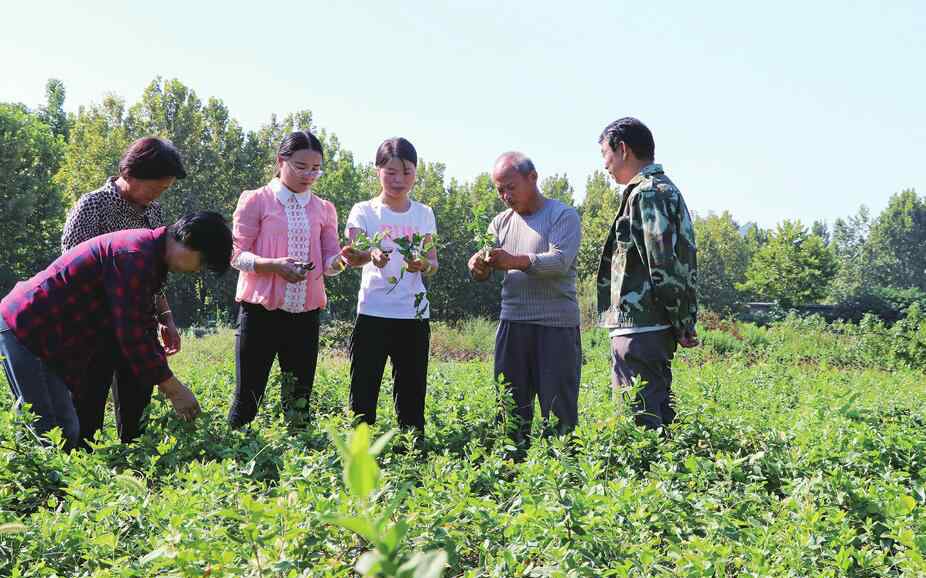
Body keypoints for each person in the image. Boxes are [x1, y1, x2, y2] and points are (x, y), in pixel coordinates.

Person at [0, 212, 233, 450]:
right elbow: (132, 334)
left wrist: (165, 375)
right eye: (202, 262)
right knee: (51, 432)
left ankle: (42, 477)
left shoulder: (148, 256)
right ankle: (39, 482)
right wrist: (174, 389)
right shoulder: (135, 256)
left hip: (47, 333)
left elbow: (142, 325)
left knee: (64, 429)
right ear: (187, 239)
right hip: (29, 327)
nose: (197, 270)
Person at [60, 136, 187, 445]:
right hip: (94, 329)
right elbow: (71, 273)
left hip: (138, 328)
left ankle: (133, 470)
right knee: (86, 411)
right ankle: (82, 477)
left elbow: (152, 276)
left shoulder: (153, 213)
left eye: (163, 190)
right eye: (154, 187)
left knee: (137, 411)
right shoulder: (92, 207)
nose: (157, 195)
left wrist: (165, 316)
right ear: (129, 174)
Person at [227, 130, 348, 429]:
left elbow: (331, 261)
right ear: (281, 161)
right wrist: (273, 266)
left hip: (305, 315)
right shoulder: (256, 200)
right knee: (248, 397)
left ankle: (299, 465)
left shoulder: (324, 209)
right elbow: (235, 255)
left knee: (299, 400)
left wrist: (346, 260)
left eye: (316, 168)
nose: (309, 175)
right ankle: (231, 459)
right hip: (260, 312)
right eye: (301, 166)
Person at [467, 152, 582, 446]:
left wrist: (514, 260)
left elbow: (560, 262)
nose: (505, 195)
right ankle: (510, 475)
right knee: (510, 411)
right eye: (499, 189)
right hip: (513, 324)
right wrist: (478, 266)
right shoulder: (499, 223)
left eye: (511, 187)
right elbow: (488, 268)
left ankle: (562, 480)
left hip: (555, 327)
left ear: (533, 178)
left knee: (559, 413)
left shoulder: (562, 215)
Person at [595, 117, 698, 430]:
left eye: (605, 154)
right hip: (646, 327)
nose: (604, 165)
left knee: (639, 425)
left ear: (623, 149)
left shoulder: (649, 193)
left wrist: (682, 321)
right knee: (654, 414)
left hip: (641, 328)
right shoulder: (656, 191)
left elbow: (664, 264)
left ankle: (650, 479)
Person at [342, 137, 438, 435]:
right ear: (377, 171)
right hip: (373, 311)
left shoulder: (424, 213)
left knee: (411, 393)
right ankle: (360, 451)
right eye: (391, 172)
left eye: (407, 172)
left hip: (413, 314)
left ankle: (412, 452)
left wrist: (421, 264)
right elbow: (352, 255)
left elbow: (433, 262)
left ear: (416, 172)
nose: (399, 180)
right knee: (363, 391)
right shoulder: (364, 211)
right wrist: (370, 255)